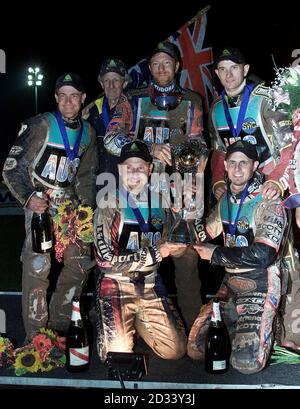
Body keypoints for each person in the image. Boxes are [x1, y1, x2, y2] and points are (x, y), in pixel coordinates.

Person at [103, 40, 206, 331]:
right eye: (156, 63)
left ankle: (193, 333)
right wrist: (147, 145)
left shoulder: (192, 100)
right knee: (142, 265)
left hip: (178, 192)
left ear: (177, 66)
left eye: (167, 63)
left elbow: (199, 144)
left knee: (187, 265)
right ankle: (138, 330)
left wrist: (192, 178)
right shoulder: (131, 99)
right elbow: (111, 139)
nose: (162, 68)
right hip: (140, 196)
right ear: (149, 68)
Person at [209, 46, 300, 349]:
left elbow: (289, 145)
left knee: (284, 257)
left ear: (245, 69)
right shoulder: (216, 108)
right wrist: (219, 183)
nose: (228, 74)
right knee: (248, 253)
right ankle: (258, 328)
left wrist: (277, 180)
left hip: (272, 188)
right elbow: (220, 151)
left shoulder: (265, 98)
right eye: (222, 69)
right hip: (240, 189)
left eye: (234, 67)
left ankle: (292, 336)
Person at [2, 73, 98, 340]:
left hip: (70, 207)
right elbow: (12, 168)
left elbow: (87, 176)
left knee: (80, 262)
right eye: (63, 96)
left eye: (74, 96)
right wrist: (28, 197)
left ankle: (59, 323)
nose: (68, 101)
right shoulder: (41, 125)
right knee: (38, 265)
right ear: (56, 98)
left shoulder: (88, 132)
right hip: (40, 205)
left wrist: (85, 210)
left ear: (83, 99)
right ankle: (36, 336)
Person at [188, 140, 289, 374]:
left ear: (254, 166)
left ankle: (268, 324)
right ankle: (240, 326)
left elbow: (264, 255)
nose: (237, 168)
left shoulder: (268, 200)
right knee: (196, 347)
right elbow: (203, 233)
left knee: (246, 363)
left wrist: (216, 254)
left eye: (243, 163)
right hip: (230, 285)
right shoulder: (226, 201)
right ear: (225, 165)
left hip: (260, 282)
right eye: (232, 162)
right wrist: (187, 210)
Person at [93, 140, 187, 361]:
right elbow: (105, 260)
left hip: (150, 284)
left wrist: (184, 218)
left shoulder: (163, 202)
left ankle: (138, 319)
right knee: (115, 356)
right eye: (128, 167)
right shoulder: (108, 202)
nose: (134, 173)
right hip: (116, 284)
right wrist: (155, 254)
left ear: (150, 169)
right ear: (119, 169)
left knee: (175, 351)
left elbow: (176, 247)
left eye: (141, 167)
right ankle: (112, 316)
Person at [82, 58, 131, 178]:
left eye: (116, 80)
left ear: (124, 83)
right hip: (96, 181)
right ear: (101, 84)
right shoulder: (90, 112)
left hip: (126, 181)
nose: (111, 85)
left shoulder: (134, 109)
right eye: (106, 80)